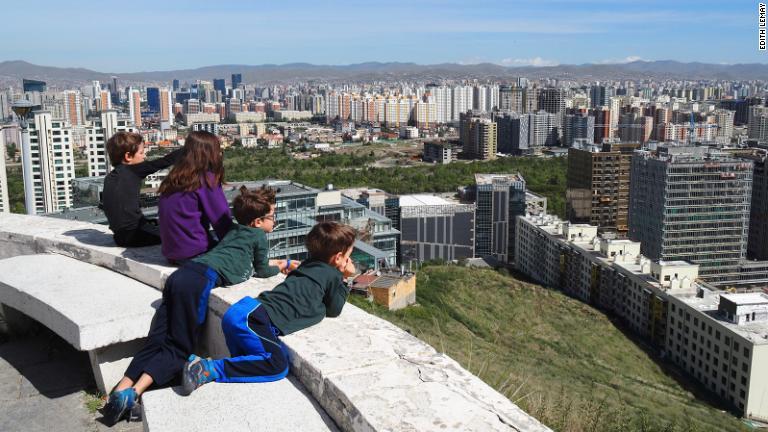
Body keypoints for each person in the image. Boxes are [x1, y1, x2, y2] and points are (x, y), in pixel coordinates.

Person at [102, 185, 298, 426]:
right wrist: (283, 264)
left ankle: (120, 391)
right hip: (198, 283)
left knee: (158, 339)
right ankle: (135, 393)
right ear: (258, 222)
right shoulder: (258, 236)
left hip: (182, 276)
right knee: (178, 346)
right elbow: (263, 270)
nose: (274, 221)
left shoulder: (234, 231)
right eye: (272, 217)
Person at [179, 221, 356, 395]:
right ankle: (208, 367)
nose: (350, 260)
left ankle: (200, 364)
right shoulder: (333, 275)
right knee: (277, 365)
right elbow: (334, 309)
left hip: (243, 311)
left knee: (249, 363)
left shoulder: (304, 267)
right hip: (254, 320)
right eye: (349, 255)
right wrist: (345, 277)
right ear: (338, 257)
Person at [158, 131, 231, 264]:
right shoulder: (206, 180)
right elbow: (222, 220)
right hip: (195, 253)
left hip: (172, 253)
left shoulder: (174, 178)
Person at [102, 132, 182, 247]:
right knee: (179, 235)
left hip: (120, 236)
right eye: (141, 152)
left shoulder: (109, 177)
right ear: (128, 156)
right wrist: (190, 148)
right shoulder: (133, 170)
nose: (144, 156)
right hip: (135, 235)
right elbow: (164, 162)